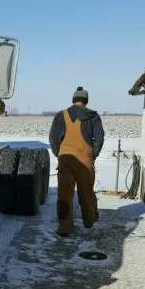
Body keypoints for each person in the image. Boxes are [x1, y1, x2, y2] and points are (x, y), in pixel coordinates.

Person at [49, 86, 105, 236]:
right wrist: (92, 155)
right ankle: (89, 221)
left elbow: (53, 139)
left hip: (65, 160)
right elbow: (99, 139)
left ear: (73, 100)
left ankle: (64, 228)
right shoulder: (93, 117)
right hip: (85, 162)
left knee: (64, 195)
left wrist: (59, 154)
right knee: (86, 193)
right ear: (86, 101)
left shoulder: (61, 116)